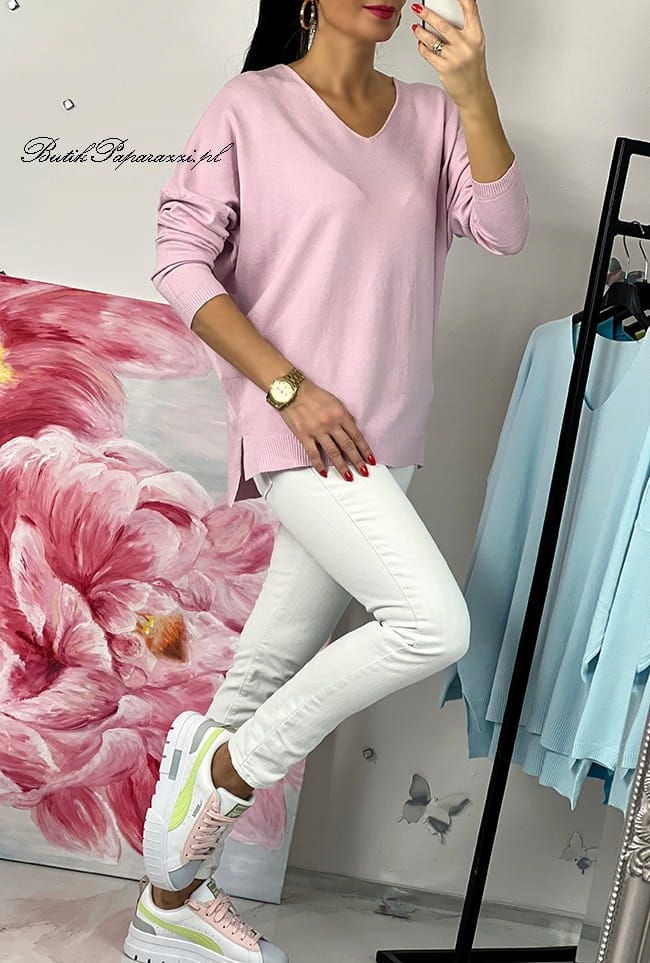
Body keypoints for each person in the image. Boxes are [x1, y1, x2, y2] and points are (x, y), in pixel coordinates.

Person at [123, 1, 529, 960]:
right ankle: (229, 769)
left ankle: (169, 902)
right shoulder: (250, 106)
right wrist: (287, 387)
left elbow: (505, 230)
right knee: (433, 624)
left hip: (387, 441)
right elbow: (179, 259)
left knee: (270, 660)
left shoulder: (432, 116)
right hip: (296, 428)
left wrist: (473, 88)